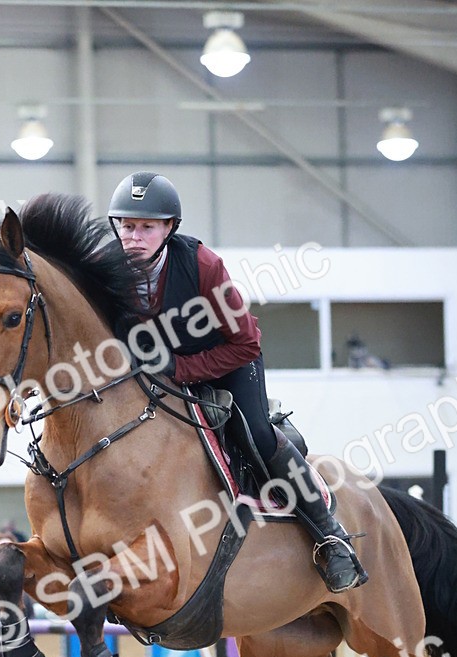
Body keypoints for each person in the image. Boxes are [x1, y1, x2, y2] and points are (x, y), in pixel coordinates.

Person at [107, 170, 368, 594]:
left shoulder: (202, 265)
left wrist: (179, 369)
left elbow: (245, 342)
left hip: (228, 361)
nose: (134, 236)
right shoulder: (106, 268)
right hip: (153, 371)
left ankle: (330, 536)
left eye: (147, 227)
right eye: (128, 226)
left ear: (169, 228)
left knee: (258, 436)